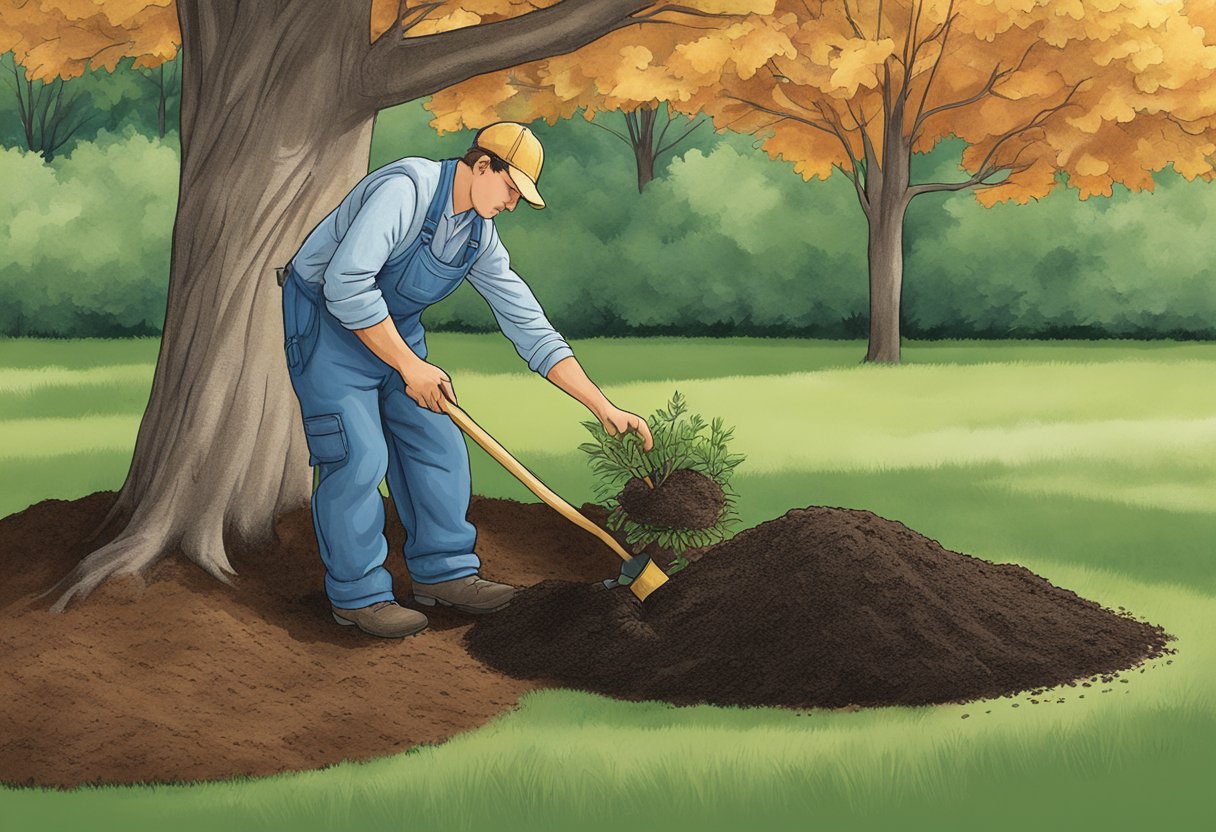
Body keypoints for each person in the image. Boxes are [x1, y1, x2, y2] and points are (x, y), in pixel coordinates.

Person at [280, 122, 654, 639]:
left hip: (395, 330)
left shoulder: (478, 237)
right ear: (482, 167)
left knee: (438, 443)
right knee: (357, 454)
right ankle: (360, 595)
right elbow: (346, 283)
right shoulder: (405, 190)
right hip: (326, 323)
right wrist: (410, 367)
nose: (512, 205)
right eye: (510, 190)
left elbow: (528, 324)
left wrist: (603, 407)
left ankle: (446, 573)